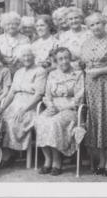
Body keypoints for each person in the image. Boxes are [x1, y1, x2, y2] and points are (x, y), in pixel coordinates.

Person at [80, 12, 107, 177]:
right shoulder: (86, 43)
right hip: (92, 85)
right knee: (96, 121)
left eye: (98, 23)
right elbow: (83, 64)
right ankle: (101, 159)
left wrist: (99, 71)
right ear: (89, 27)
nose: (96, 27)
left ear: (104, 23)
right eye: (92, 25)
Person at [35, 47, 84, 176]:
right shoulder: (52, 74)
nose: (64, 61)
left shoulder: (78, 74)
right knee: (40, 120)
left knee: (54, 123)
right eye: (60, 59)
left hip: (71, 109)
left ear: (70, 58)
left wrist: (64, 107)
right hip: (54, 107)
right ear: (56, 61)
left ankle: (57, 161)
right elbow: (47, 95)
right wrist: (50, 105)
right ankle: (48, 159)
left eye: (66, 58)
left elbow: (80, 96)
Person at [0, 45, 47, 163]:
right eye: (24, 56)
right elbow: (11, 93)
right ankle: (5, 152)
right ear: (20, 58)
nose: (26, 58)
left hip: (31, 105)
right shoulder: (18, 72)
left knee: (14, 121)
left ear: (34, 56)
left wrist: (24, 110)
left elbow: (39, 95)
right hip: (15, 103)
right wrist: (2, 108)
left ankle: (9, 155)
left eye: (29, 55)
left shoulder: (40, 71)